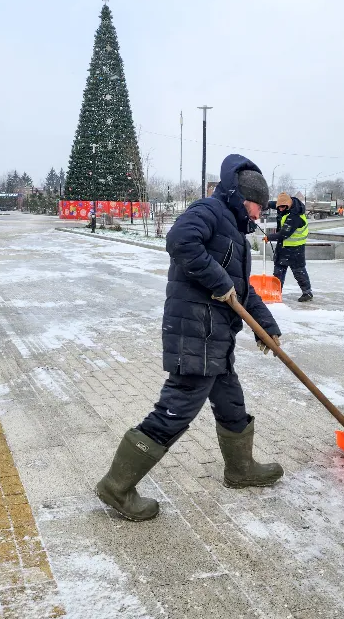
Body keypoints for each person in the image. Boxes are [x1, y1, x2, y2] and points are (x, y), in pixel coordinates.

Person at [96, 155, 284, 522]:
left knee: (231, 401)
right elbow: (180, 241)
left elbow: (243, 292)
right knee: (177, 408)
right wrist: (220, 283)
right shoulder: (209, 211)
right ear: (237, 195)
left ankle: (240, 470)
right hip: (195, 333)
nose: (259, 215)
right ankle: (117, 487)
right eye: (256, 206)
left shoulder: (235, 233)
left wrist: (267, 328)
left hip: (217, 337)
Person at [266, 192, 313, 302]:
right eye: (279, 207)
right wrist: (264, 203)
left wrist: (269, 237)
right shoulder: (286, 206)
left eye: (283, 207)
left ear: (288, 205)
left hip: (295, 249)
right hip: (284, 247)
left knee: (298, 271)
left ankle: (307, 293)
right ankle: (275, 292)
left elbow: (284, 234)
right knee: (278, 271)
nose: (280, 209)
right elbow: (274, 204)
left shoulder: (294, 216)